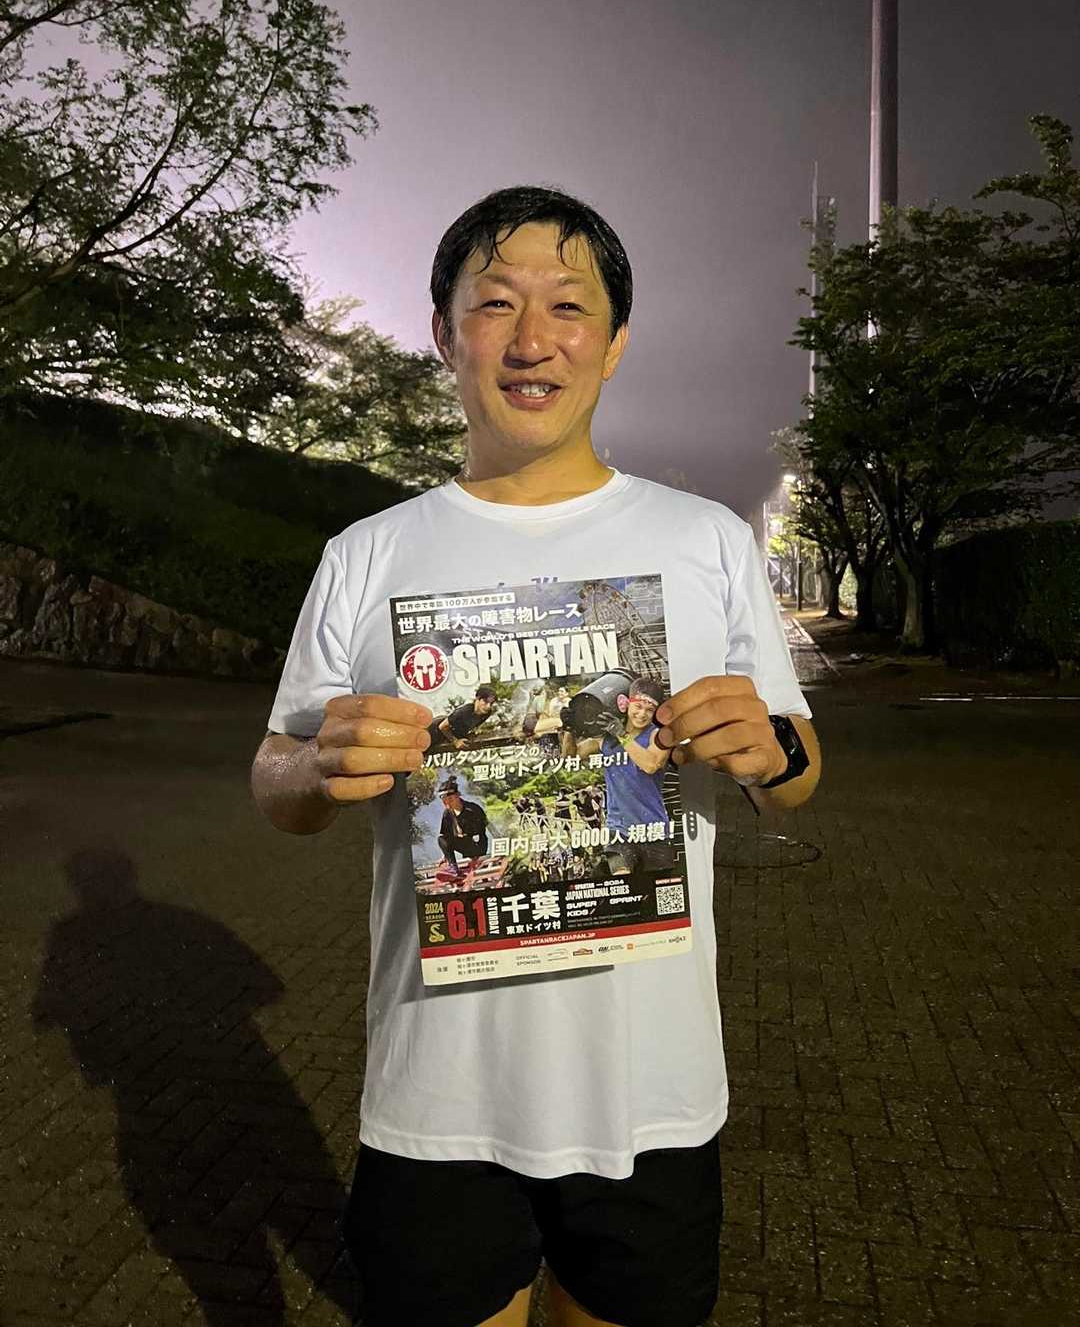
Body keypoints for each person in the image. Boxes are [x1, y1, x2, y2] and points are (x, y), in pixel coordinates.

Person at [251, 186, 822, 1327]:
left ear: (614, 341)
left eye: (568, 305)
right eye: (495, 303)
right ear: (443, 331)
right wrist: (316, 768)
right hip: (438, 1096)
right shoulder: (366, 554)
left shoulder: (707, 540)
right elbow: (276, 779)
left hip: (651, 1091)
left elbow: (799, 773)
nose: (531, 339)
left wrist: (769, 752)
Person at [568, 677, 674, 875]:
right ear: (625, 704)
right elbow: (571, 757)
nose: (642, 714)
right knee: (621, 879)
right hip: (618, 830)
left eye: (649, 710)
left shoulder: (658, 735)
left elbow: (651, 765)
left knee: (655, 887)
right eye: (638, 707)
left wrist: (622, 735)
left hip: (654, 829)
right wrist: (569, 730)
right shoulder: (606, 738)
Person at [436, 777, 489, 881]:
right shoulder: (447, 813)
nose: (448, 803)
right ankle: (453, 869)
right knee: (441, 839)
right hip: (466, 845)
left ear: (457, 796)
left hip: (478, 845)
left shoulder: (472, 809)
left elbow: (480, 833)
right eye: (444, 801)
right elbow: (447, 837)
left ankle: (456, 869)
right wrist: (446, 856)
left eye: (450, 800)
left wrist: (478, 856)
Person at [435, 685, 498, 749]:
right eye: (485, 701)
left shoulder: (487, 713)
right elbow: (442, 726)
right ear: (477, 699)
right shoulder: (464, 711)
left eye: (491, 703)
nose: (488, 706)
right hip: (434, 731)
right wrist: (455, 741)